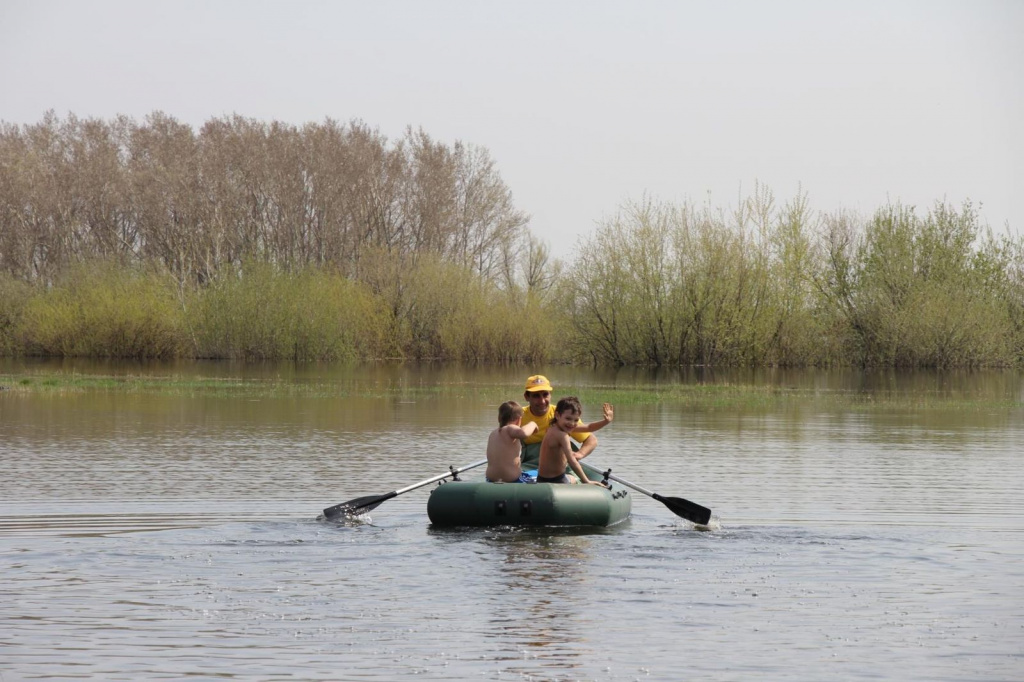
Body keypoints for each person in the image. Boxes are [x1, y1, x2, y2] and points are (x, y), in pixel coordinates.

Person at [519, 375, 600, 471]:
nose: (542, 401)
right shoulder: (518, 415)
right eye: (536, 396)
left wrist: (579, 454)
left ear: (550, 395)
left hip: (559, 465)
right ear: (526, 397)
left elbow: (591, 440)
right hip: (528, 464)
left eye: (545, 395)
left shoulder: (562, 414)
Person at [537, 396, 614, 485]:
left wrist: (606, 421)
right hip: (557, 480)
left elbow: (589, 427)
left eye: (576, 420)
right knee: (574, 479)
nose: (572, 423)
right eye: (568, 418)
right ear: (557, 415)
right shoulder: (562, 435)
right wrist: (587, 481)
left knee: (570, 477)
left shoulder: (553, 427)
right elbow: (572, 461)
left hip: (541, 479)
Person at [485, 401, 539, 483]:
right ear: (519, 420)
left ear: (499, 418)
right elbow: (524, 433)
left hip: (491, 480)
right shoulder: (510, 428)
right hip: (512, 480)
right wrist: (533, 424)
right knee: (539, 473)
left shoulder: (493, 433)